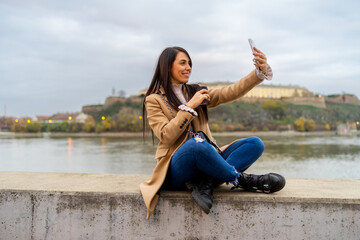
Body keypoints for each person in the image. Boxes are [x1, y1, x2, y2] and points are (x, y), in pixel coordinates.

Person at [140, 46, 285, 219]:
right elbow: (166, 136)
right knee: (196, 146)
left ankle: (206, 182)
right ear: (167, 66)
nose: (188, 67)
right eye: (183, 63)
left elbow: (230, 92)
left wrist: (258, 73)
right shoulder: (154, 99)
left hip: (206, 159)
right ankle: (240, 180)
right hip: (177, 169)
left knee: (255, 144)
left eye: (190, 63)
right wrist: (190, 106)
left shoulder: (195, 91)